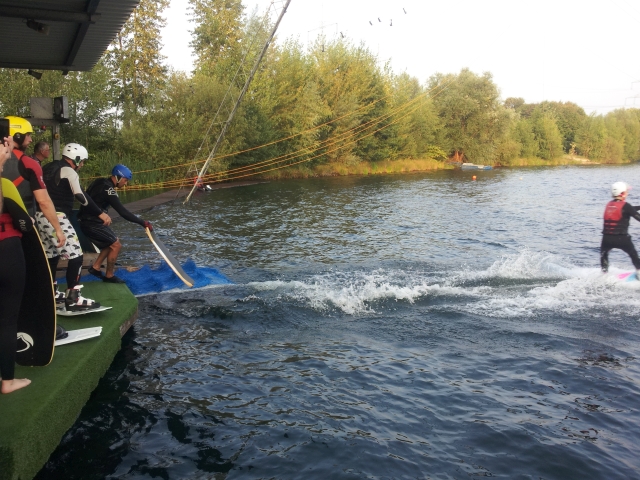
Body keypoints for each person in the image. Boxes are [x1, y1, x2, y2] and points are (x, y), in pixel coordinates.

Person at [38, 143, 111, 311]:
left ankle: (51, 292)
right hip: (56, 216)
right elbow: (81, 196)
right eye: (82, 161)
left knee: (51, 255)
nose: (82, 165)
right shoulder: (69, 171)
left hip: (40, 216)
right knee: (76, 256)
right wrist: (100, 213)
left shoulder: (47, 168)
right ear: (76, 159)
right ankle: (73, 297)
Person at [79, 164, 152, 283]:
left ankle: (96, 267)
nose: (125, 183)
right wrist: (142, 222)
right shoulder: (109, 190)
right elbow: (123, 212)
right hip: (90, 223)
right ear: (118, 177)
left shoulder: (99, 181)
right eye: (125, 180)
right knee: (116, 245)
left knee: (112, 241)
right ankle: (109, 276)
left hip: (86, 220)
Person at [0, 136, 31, 394]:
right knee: (7, 319)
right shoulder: (5, 185)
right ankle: (7, 381)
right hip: (7, 250)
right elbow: (25, 223)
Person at [601, 181, 640, 276]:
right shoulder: (626, 206)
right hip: (622, 239)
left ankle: (604, 274)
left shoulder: (609, 204)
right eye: (627, 191)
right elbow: (631, 212)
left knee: (604, 255)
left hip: (606, 239)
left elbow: (628, 209)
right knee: (633, 255)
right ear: (622, 193)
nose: (628, 193)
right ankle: (639, 272)